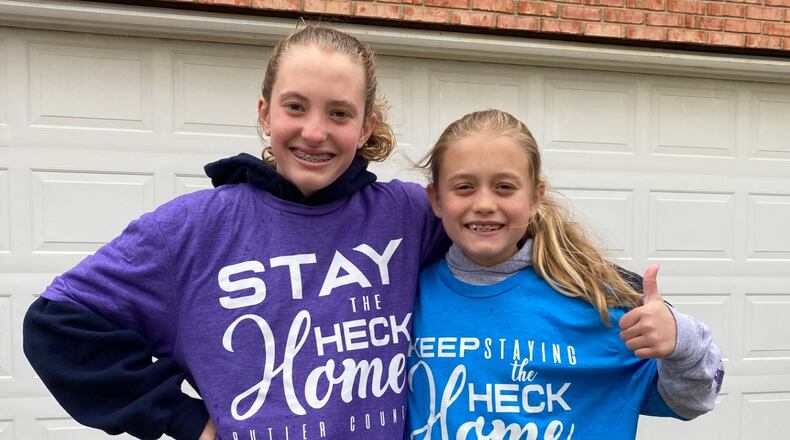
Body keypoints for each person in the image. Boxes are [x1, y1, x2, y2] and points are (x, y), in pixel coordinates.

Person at [23, 25, 448, 440]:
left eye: (339, 113)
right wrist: (183, 418)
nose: (315, 132)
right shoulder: (192, 230)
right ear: (265, 113)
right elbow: (57, 324)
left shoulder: (410, 215)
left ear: (365, 127)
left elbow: (504, 232)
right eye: (295, 107)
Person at [406, 110, 724, 439]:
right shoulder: (406, 297)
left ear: (535, 199)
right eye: (464, 187)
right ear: (436, 200)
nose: (484, 202)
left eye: (504, 187)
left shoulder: (597, 302)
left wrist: (680, 341)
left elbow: (693, 401)